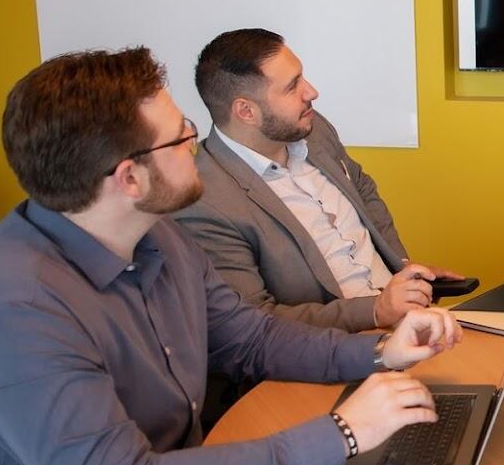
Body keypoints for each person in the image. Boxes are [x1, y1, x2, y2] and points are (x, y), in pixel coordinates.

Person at [0, 47, 461, 465]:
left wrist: (378, 354)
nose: (199, 146)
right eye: (182, 136)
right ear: (128, 177)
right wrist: (341, 431)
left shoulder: (158, 235)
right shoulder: (18, 305)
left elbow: (251, 339)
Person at [178, 28, 455, 333]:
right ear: (246, 111)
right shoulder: (203, 200)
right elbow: (252, 323)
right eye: (291, 86)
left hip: (407, 320)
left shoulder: (311, 127)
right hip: (339, 349)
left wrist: (401, 269)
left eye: (302, 77)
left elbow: (362, 188)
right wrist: (377, 311)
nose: (311, 92)